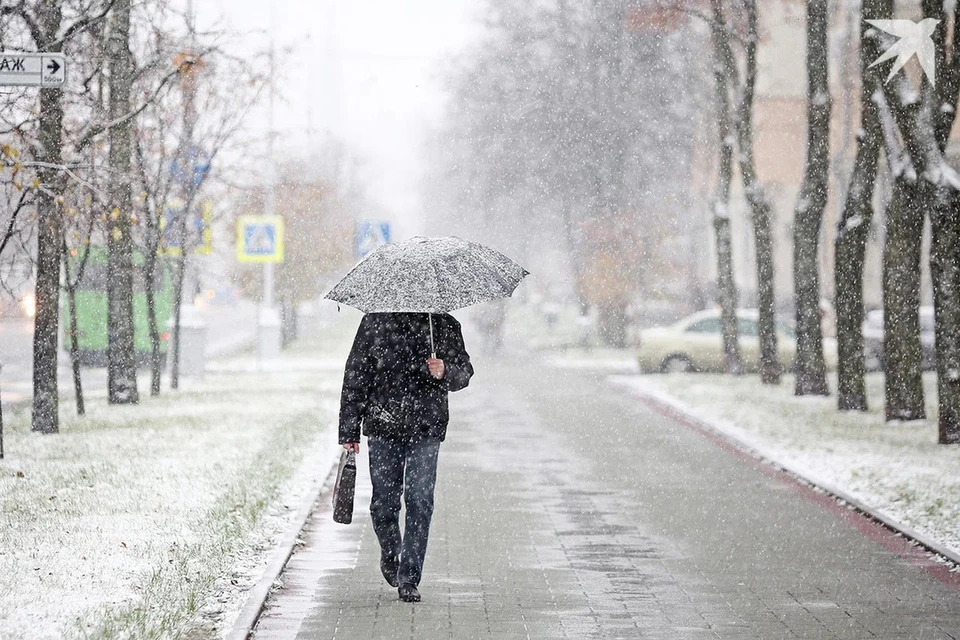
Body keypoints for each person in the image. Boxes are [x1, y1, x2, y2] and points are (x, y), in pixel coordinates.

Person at [339, 312, 473, 603]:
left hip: (426, 428)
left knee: (420, 499)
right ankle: (391, 553)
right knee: (383, 504)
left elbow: (464, 371)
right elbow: (356, 375)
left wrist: (445, 370)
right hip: (382, 425)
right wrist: (349, 430)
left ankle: (409, 577)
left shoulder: (442, 324)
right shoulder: (374, 322)